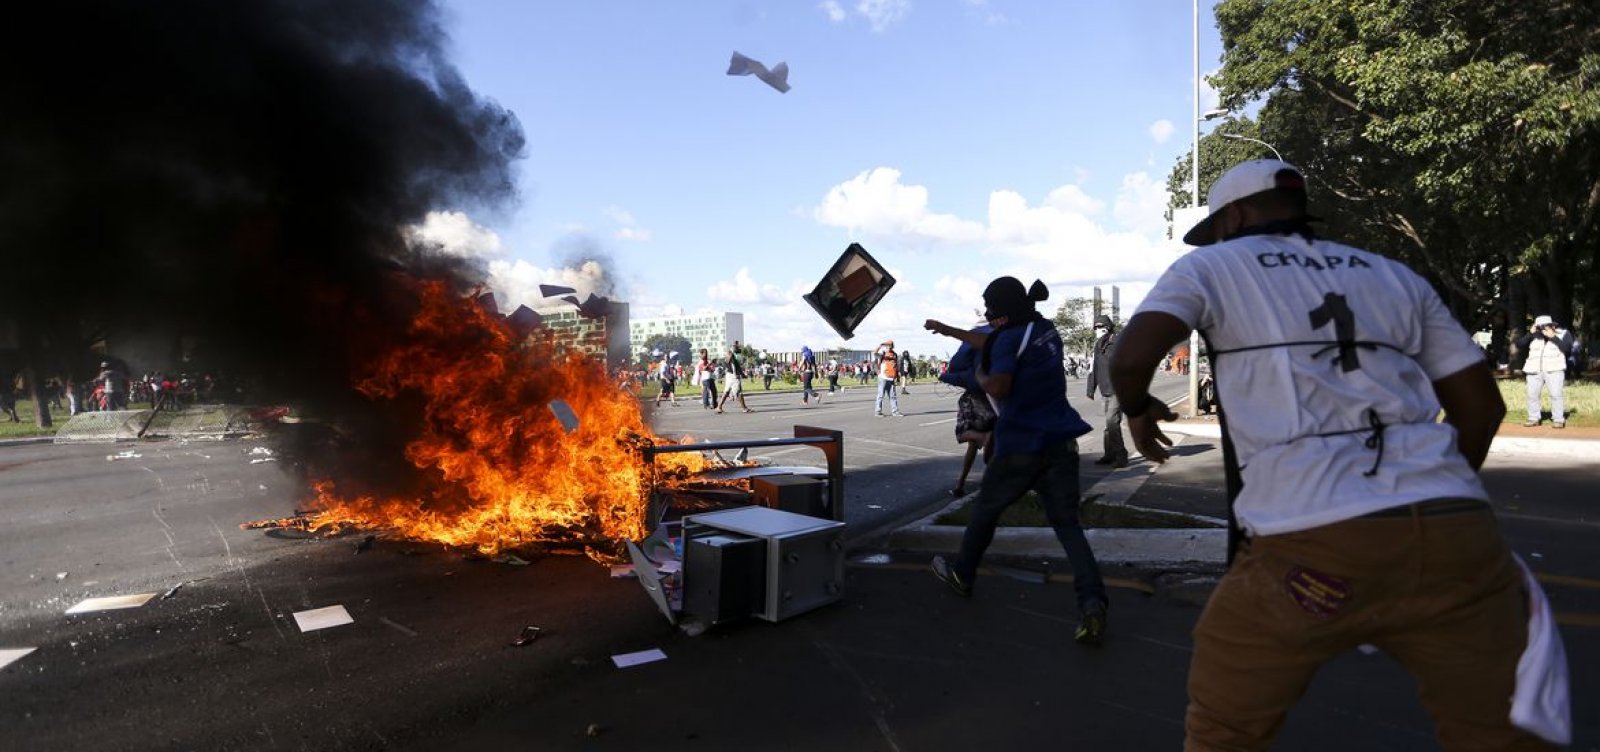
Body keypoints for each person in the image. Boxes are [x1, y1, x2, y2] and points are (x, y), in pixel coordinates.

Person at [1111, 159, 1569, 749]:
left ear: (1236, 217)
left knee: (1225, 729)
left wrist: (1137, 407)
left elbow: (1131, 358)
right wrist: (1431, 495)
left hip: (1308, 539)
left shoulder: (1210, 266)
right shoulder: (1393, 274)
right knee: (1497, 735)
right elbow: (1481, 409)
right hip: (1456, 534)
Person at [925, 278, 1109, 646]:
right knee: (1068, 526)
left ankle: (962, 575)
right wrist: (948, 330)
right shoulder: (1045, 330)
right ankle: (1092, 601)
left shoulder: (1009, 340)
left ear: (1003, 310)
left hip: (1022, 445)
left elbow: (999, 385)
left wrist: (979, 374)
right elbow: (993, 341)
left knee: (985, 511)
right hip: (1061, 442)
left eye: (991, 308)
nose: (988, 314)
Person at [937, 323, 995, 497]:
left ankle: (962, 483)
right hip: (996, 398)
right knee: (988, 446)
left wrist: (944, 376)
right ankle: (967, 483)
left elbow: (958, 366)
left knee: (965, 435)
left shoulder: (974, 348)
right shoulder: (1003, 342)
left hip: (976, 397)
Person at [1085, 314, 1129, 468]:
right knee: (1109, 424)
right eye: (1095, 327)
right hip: (1105, 390)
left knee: (1112, 421)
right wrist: (1090, 388)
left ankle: (1121, 456)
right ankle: (1109, 454)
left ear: (1107, 327)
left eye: (1100, 327)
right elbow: (1094, 368)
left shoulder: (1118, 341)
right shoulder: (1098, 345)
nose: (1097, 330)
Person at [1517, 314, 1574, 428]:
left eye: (1545, 326)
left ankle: (1558, 419)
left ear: (1552, 326)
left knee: (1556, 395)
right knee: (1532, 395)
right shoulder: (1533, 335)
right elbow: (1519, 344)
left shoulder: (1563, 333)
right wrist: (1529, 334)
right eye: (1539, 327)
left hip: (1554, 369)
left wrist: (1553, 337)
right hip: (1534, 369)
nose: (1542, 329)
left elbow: (1567, 349)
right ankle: (1534, 418)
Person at [716, 343, 752, 414]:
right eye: (736, 347)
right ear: (733, 348)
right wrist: (737, 375)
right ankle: (744, 408)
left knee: (726, 391)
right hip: (733, 376)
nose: (738, 348)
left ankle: (719, 407)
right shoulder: (731, 355)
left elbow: (734, 366)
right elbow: (733, 366)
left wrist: (742, 375)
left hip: (729, 375)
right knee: (739, 392)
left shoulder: (728, 355)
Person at [872, 340, 903, 417]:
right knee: (880, 395)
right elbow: (874, 353)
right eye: (887, 345)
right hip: (883, 377)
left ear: (892, 346)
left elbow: (896, 366)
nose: (888, 347)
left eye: (890, 345)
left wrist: (897, 377)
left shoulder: (894, 355)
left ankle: (895, 412)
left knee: (893, 396)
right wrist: (880, 345)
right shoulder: (882, 354)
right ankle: (878, 412)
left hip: (891, 378)